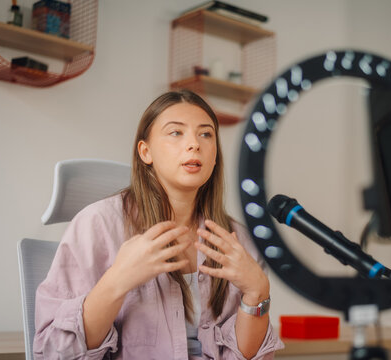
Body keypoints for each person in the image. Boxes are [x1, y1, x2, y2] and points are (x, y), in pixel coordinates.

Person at [33, 90, 284, 359]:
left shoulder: (239, 241)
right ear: (145, 151)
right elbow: (52, 352)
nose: (194, 144)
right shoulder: (96, 224)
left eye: (206, 134)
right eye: (176, 133)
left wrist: (258, 292)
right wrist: (117, 280)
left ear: (215, 156)